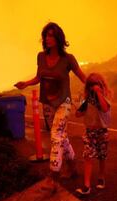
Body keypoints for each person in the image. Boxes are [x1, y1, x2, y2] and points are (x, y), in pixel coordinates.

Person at [14, 22, 86, 192]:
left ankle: (52, 177)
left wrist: (96, 86)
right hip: (48, 103)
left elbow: (83, 77)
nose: (47, 38)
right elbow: (39, 77)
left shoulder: (68, 59)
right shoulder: (41, 57)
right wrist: (26, 83)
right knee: (62, 136)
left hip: (64, 103)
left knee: (55, 135)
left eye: (51, 35)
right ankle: (73, 168)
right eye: (46, 35)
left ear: (58, 38)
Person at [75, 73, 112, 195]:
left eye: (96, 84)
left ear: (101, 85)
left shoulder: (105, 96)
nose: (93, 88)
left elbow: (105, 108)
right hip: (90, 132)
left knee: (101, 156)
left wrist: (99, 93)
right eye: (91, 85)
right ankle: (86, 186)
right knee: (88, 156)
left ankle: (101, 177)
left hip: (102, 131)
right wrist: (79, 109)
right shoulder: (87, 99)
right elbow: (79, 114)